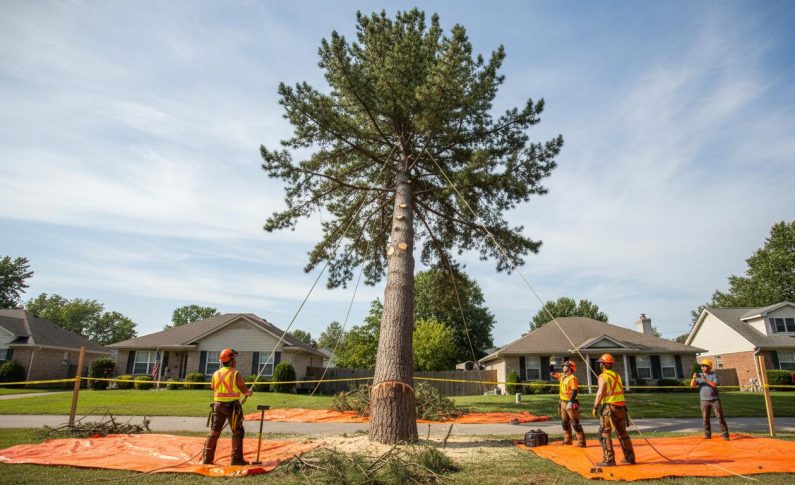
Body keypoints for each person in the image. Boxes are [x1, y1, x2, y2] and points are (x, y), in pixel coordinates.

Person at [201, 348, 253, 465]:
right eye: (234, 358)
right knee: (237, 431)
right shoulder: (235, 373)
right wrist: (249, 393)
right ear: (231, 361)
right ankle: (236, 459)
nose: (235, 361)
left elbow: (213, 387)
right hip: (232, 407)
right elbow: (243, 389)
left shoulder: (215, 374)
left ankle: (207, 459)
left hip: (218, 406)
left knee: (214, 431)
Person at [592, 353, 635, 466]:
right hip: (621, 408)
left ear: (602, 364)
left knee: (604, 433)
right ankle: (630, 458)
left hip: (609, 409)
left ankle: (609, 460)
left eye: (600, 363)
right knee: (622, 433)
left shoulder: (603, 376)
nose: (599, 365)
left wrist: (595, 406)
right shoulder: (617, 376)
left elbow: (600, 392)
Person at [690, 358, 729, 440]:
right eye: (702, 366)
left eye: (704, 366)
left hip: (715, 400)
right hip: (704, 400)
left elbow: (714, 385)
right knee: (705, 419)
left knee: (720, 417)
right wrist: (694, 378)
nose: (702, 367)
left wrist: (705, 380)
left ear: (709, 367)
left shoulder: (713, 375)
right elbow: (692, 386)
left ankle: (725, 435)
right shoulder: (699, 375)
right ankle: (707, 435)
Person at [550, 359, 586, 447]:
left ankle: (581, 441)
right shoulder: (562, 376)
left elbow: (574, 391)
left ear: (570, 368)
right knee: (564, 422)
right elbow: (552, 374)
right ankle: (567, 439)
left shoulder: (572, 378)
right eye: (563, 366)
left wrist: (571, 401)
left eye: (565, 366)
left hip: (571, 402)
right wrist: (551, 364)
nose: (563, 367)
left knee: (575, 422)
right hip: (562, 402)